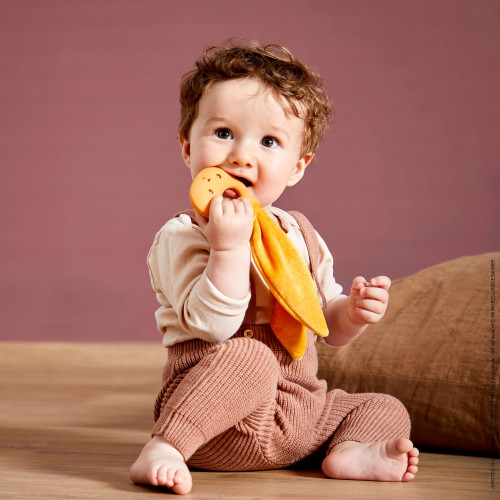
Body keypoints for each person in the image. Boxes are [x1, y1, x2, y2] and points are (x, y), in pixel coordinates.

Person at [129, 40, 419, 495]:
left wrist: (354, 312)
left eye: (269, 141)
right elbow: (212, 325)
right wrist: (228, 250)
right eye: (223, 133)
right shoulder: (183, 236)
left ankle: (347, 451)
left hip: (297, 418)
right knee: (252, 357)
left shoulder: (300, 235)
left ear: (298, 167)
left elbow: (327, 326)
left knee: (382, 405)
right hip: (216, 422)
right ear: (187, 147)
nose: (242, 156)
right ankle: (166, 446)